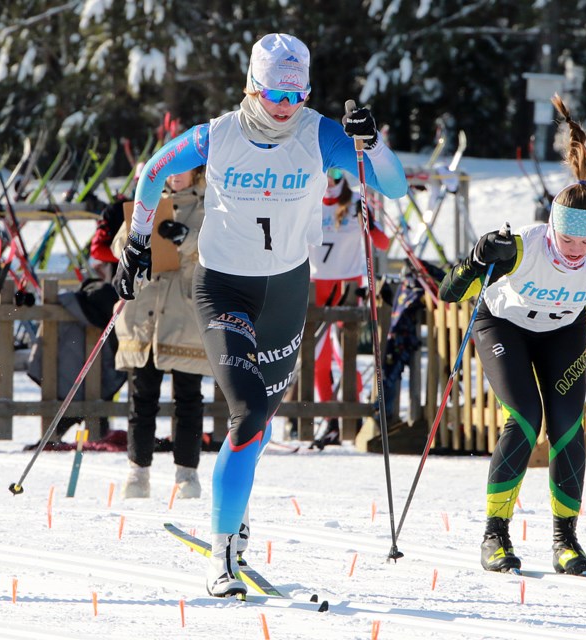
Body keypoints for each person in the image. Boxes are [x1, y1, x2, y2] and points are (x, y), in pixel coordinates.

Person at [114, 33, 407, 597]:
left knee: (259, 423)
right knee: (246, 414)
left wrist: (373, 144)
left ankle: (234, 508)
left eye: (297, 95)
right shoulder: (218, 135)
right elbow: (152, 171)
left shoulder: (321, 133)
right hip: (223, 289)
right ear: (252, 85)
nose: (284, 106)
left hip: (287, 292)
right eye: (274, 93)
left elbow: (390, 184)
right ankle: (223, 555)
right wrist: (139, 238)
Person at [438, 95, 586, 576]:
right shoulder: (523, 246)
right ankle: (494, 536)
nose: (578, 251)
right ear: (552, 229)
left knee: (565, 427)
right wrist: (477, 260)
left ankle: (566, 540)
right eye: (568, 240)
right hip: (504, 327)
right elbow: (450, 292)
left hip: (562, 332)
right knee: (524, 418)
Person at [112, 168, 211, 500]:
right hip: (148, 309)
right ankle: (138, 472)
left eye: (183, 170)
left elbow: (221, 245)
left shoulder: (211, 202)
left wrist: (187, 238)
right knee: (142, 396)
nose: (176, 177)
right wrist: (135, 240)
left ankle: (187, 473)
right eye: (171, 171)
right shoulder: (148, 200)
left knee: (188, 396)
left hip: (184, 309)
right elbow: (118, 246)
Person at [308, 168, 390, 448]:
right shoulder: (307, 200)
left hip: (347, 288)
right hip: (315, 288)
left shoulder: (356, 202)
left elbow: (382, 243)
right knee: (318, 357)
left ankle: (352, 415)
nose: (328, 181)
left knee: (346, 355)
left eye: (333, 174)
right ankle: (331, 418)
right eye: (323, 174)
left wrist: (368, 222)